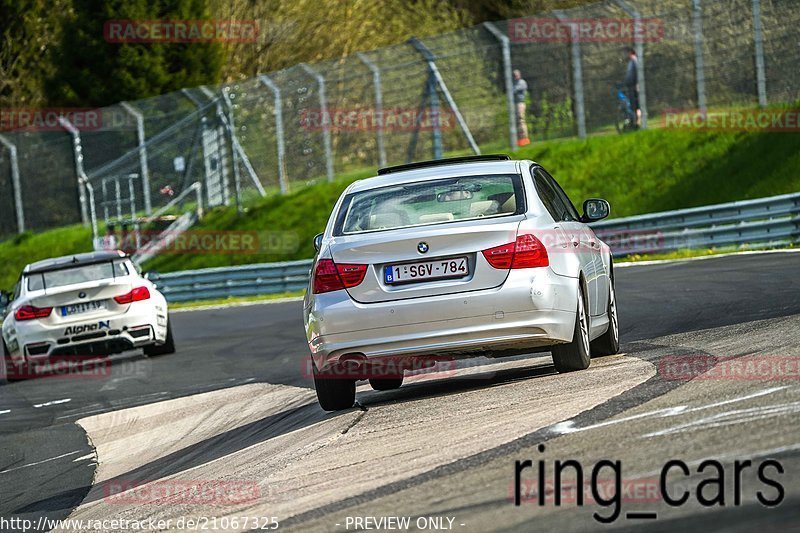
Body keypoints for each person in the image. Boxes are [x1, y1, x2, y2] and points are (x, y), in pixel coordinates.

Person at [623, 48, 641, 127]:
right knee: (633, 105)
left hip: (634, 86)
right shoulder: (630, 62)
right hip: (630, 86)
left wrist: (637, 84)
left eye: (627, 52)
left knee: (636, 106)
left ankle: (638, 123)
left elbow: (638, 72)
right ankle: (634, 122)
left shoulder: (634, 61)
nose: (626, 54)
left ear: (631, 52)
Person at [513, 69, 531, 146]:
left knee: (521, 120)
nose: (515, 77)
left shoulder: (522, 83)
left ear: (519, 75)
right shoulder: (513, 83)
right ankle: (519, 139)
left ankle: (524, 138)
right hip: (514, 104)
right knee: (516, 122)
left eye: (516, 75)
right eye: (514, 75)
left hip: (520, 104)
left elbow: (514, 90)